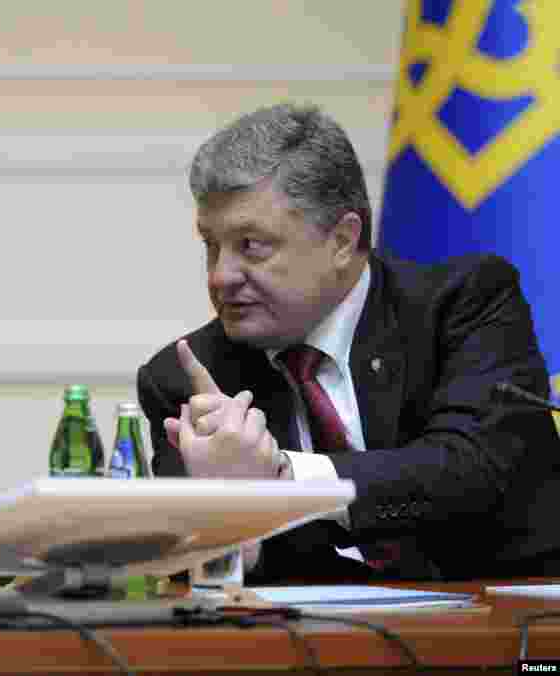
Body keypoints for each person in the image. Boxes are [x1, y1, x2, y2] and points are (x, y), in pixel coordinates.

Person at [137, 102, 560, 583]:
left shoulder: (464, 302)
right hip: (323, 646)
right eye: (211, 245)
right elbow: (216, 566)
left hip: (514, 625)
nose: (220, 275)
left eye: (251, 245)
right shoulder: (188, 376)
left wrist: (279, 476)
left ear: (342, 239)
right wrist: (228, 531)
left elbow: (471, 469)